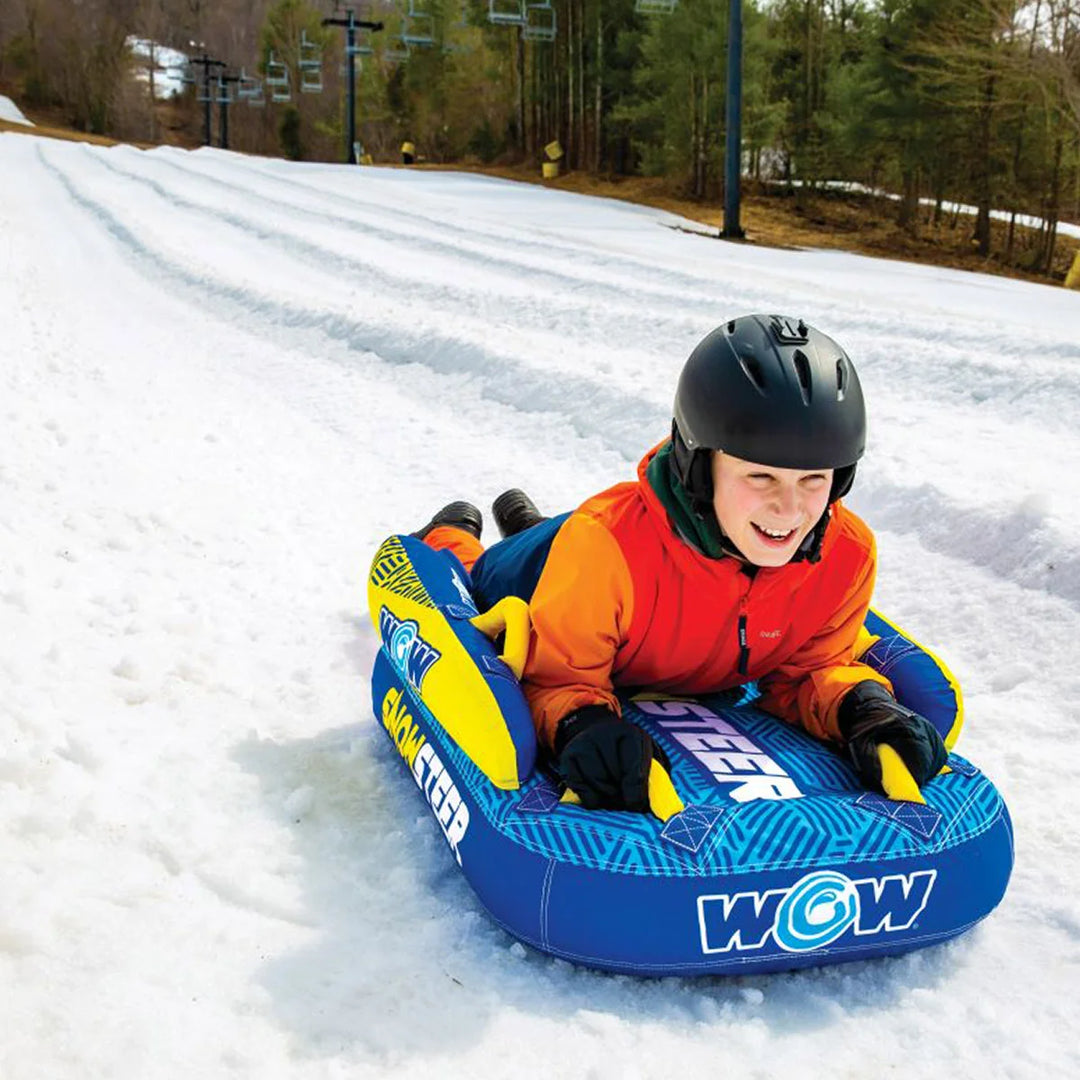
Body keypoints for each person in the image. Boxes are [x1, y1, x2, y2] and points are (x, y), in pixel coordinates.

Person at [415, 314, 947, 812]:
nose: (790, 510)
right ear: (699, 466)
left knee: (560, 531)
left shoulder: (846, 555)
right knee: (482, 569)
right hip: (541, 576)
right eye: (760, 477)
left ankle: (524, 515)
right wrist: (582, 724)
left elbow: (811, 669)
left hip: (602, 576)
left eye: (814, 480)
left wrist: (861, 707)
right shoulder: (605, 548)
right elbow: (555, 679)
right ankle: (456, 530)